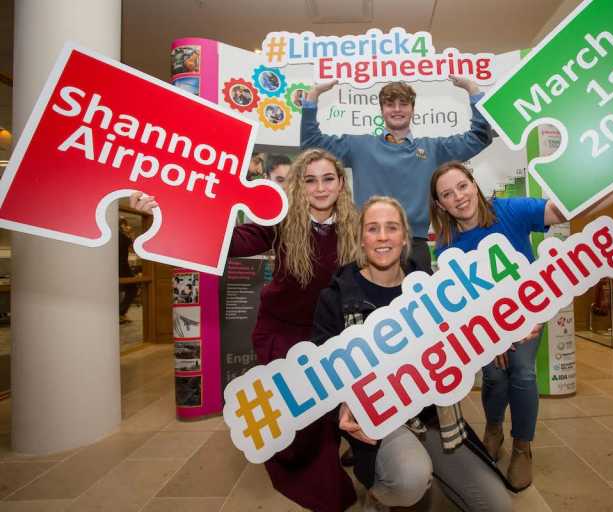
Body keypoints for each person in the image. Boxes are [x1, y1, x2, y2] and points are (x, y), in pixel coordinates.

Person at [428, 149, 613, 491]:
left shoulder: (510, 210)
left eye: (462, 186)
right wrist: (492, 335)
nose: (459, 197)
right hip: (485, 325)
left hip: (528, 315)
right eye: (448, 194)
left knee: (522, 372)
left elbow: (567, 208)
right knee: (494, 376)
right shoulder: (447, 245)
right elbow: (461, 304)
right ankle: (493, 428)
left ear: (474, 185)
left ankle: (522, 447)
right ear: (441, 205)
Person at [131, 148, 360, 512]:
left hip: (327, 337)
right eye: (310, 180)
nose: (320, 188)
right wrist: (164, 211)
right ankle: (296, 467)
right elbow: (229, 240)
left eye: (328, 179)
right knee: (299, 416)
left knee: (322, 417)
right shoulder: (282, 220)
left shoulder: (355, 226)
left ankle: (324, 476)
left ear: (341, 183)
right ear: (299, 185)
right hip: (281, 332)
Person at [313, 196, 514, 512]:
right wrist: (342, 405)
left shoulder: (432, 290)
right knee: (409, 479)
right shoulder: (336, 298)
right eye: (373, 229)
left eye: (392, 228)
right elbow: (321, 376)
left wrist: (509, 328)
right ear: (361, 239)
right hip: (382, 423)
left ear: (405, 237)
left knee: (496, 505)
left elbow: (468, 331)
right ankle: (378, 498)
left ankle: (424, 467)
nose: (383, 237)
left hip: (434, 417)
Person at [301, 78, 493, 272]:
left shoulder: (432, 149)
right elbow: (311, 143)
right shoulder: (359, 146)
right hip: (368, 245)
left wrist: (472, 89)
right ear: (382, 110)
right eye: (390, 104)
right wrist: (313, 96)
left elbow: (479, 137)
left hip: (414, 246)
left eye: (403, 103)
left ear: (412, 109)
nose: (397, 109)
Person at [118, 217, 137, 324]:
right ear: (122, 225)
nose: (127, 227)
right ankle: (120, 313)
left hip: (114, 266)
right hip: (122, 266)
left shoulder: (114, 236)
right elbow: (134, 249)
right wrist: (131, 235)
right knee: (133, 288)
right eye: (125, 225)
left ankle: (120, 313)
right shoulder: (123, 237)